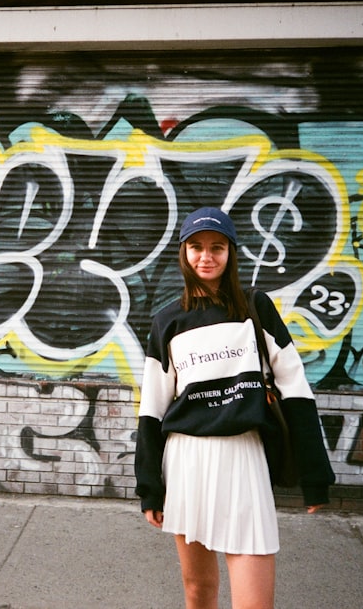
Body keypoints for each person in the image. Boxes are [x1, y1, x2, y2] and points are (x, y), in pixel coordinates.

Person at [134, 206, 335, 609]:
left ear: (231, 253)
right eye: (196, 247)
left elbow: (296, 389)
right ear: (184, 253)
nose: (206, 256)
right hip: (186, 459)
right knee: (199, 592)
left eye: (217, 247)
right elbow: (152, 409)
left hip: (244, 456)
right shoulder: (167, 322)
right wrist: (149, 490)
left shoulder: (255, 308)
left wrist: (315, 476)